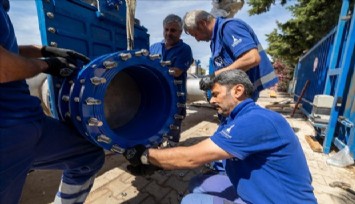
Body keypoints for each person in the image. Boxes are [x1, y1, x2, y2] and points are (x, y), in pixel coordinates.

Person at [124, 69, 317, 203]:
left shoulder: (257, 120)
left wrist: (145, 156)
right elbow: (208, 157)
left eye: (216, 94)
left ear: (238, 90)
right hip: (259, 190)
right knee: (197, 183)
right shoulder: (231, 120)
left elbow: (191, 157)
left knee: (193, 202)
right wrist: (160, 165)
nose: (212, 100)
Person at [0, 1, 105, 203]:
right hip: (6, 135)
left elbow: (8, 50)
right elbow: (3, 67)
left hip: (29, 119)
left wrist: (45, 50)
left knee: (88, 154)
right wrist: (44, 65)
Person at [182, 9, 278, 101]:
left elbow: (252, 58)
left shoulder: (230, 28)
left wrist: (215, 76)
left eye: (195, 34)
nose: (197, 39)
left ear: (202, 24)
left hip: (241, 97)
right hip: (232, 96)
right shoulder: (215, 40)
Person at [150, 14, 194, 146]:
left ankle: (171, 151)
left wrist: (152, 71)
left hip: (175, 97)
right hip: (155, 96)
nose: (169, 33)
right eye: (166, 29)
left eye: (173, 30)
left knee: (172, 127)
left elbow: (177, 72)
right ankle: (153, 151)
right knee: (154, 125)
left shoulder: (185, 50)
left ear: (180, 32)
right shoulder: (154, 47)